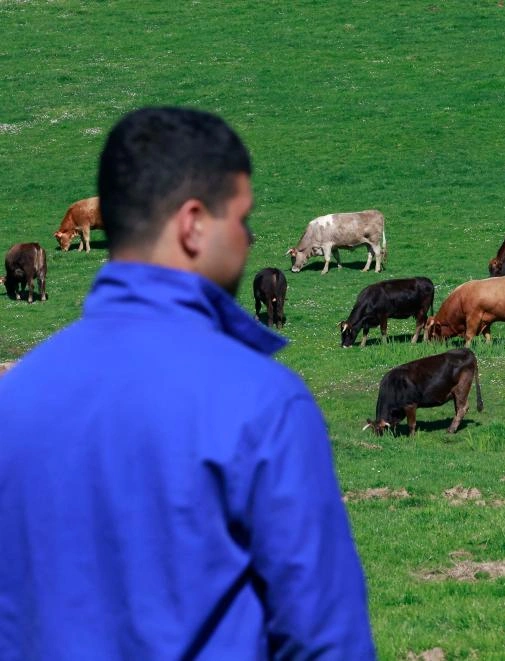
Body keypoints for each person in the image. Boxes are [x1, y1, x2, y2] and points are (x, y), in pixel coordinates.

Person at [0, 107, 376, 659]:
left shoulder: (15, 399)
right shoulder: (261, 404)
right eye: (242, 221)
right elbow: (325, 638)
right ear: (194, 223)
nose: (247, 243)